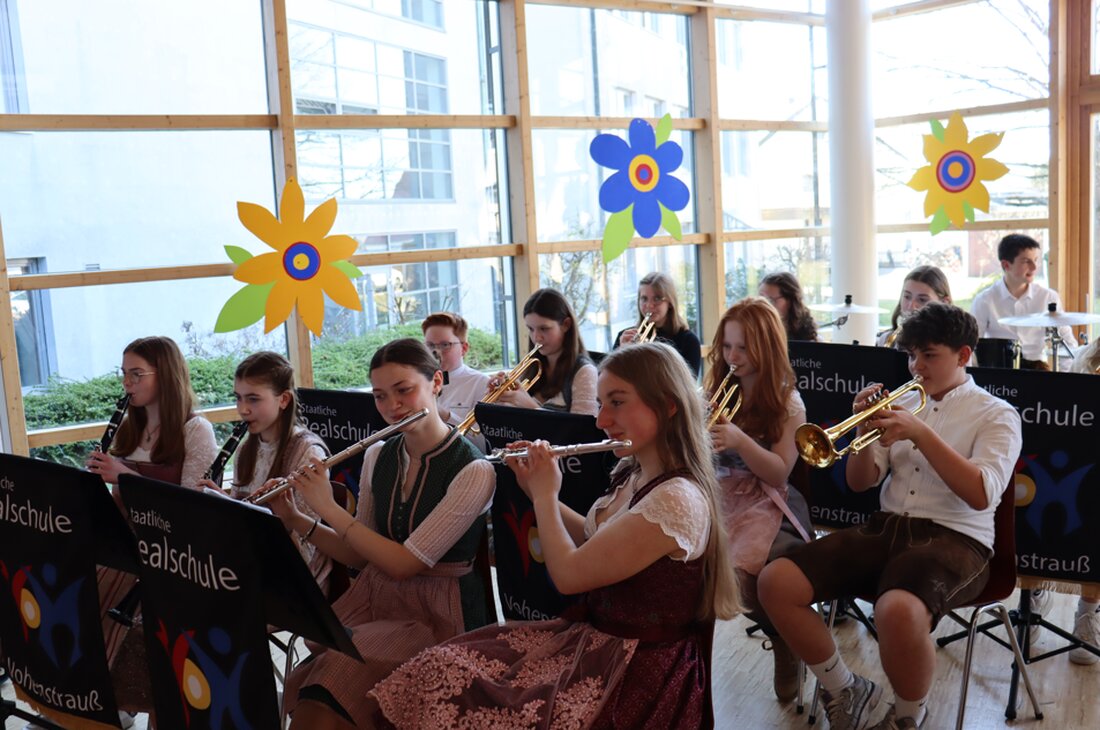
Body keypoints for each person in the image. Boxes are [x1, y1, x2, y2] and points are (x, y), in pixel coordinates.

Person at [371, 342, 740, 728]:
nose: (600, 421)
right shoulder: (635, 472)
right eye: (600, 403)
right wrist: (534, 488)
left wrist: (547, 496)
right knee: (439, 665)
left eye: (617, 402)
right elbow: (596, 538)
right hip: (598, 646)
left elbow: (568, 576)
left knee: (458, 690)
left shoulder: (677, 500)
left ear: (668, 405)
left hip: (638, 670)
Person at [758, 303, 1022, 730]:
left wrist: (922, 434)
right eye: (911, 354)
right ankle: (844, 687)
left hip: (958, 540)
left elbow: (980, 493)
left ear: (963, 355)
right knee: (775, 582)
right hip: (886, 527)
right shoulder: (903, 407)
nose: (916, 366)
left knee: (896, 610)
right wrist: (864, 435)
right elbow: (862, 483)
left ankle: (907, 715)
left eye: (929, 355)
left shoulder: (996, 414)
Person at [274, 339, 495, 729]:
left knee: (327, 689)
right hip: (378, 601)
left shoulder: (474, 471)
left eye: (404, 390)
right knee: (322, 688)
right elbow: (360, 555)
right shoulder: (380, 454)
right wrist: (294, 516)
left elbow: (404, 564)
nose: (392, 407)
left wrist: (326, 506)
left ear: (437, 382)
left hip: (439, 615)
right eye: (379, 396)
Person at [85, 335, 218, 719]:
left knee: (122, 612)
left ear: (167, 375)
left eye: (137, 374)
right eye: (124, 374)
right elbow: (119, 503)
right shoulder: (129, 426)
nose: (127, 383)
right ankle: (92, 698)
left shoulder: (196, 430)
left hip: (173, 550)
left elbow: (193, 506)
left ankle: (121, 703)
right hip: (128, 541)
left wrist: (125, 475)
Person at [706, 297, 812, 702]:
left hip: (766, 499)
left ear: (767, 347)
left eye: (743, 348)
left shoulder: (788, 402)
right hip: (719, 492)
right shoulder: (715, 389)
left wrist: (738, 439)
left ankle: (782, 637)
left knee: (745, 581)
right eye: (728, 346)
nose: (733, 357)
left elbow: (779, 470)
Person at [196, 351, 333, 596]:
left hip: (292, 575)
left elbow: (304, 543)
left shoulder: (308, 452)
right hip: (249, 560)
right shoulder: (247, 448)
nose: (243, 409)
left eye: (253, 399)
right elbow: (242, 514)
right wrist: (221, 502)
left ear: (283, 400)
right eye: (238, 398)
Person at [970, 234, 1076, 369]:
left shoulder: (1049, 297)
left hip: (1037, 370)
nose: (1034, 267)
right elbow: (970, 345)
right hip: (999, 371)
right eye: (1026, 261)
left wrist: (1067, 378)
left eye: (1036, 260)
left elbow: (1067, 343)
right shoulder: (984, 300)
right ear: (1006, 265)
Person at [490, 288, 598, 416]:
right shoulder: (529, 368)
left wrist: (530, 406)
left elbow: (583, 431)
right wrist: (499, 400)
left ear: (566, 325)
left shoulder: (584, 372)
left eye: (544, 328)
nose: (536, 337)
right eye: (531, 329)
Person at [613, 271, 702, 376]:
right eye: (644, 299)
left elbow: (687, 387)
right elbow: (610, 380)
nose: (649, 305)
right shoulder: (625, 337)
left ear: (670, 302)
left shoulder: (688, 341)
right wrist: (622, 353)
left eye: (657, 299)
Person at [421, 312, 491, 431]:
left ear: (463, 349)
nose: (436, 352)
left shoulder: (481, 383)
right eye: (430, 345)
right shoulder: (419, 382)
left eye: (445, 345)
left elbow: (483, 442)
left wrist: (446, 415)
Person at [877, 266, 952, 348]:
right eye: (907, 296)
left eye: (922, 300)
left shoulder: (952, 345)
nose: (911, 306)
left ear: (944, 303)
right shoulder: (885, 340)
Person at [759, 271, 818, 342]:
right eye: (761, 299)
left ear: (790, 301)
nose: (764, 305)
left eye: (770, 300)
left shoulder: (807, 337)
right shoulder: (754, 329)